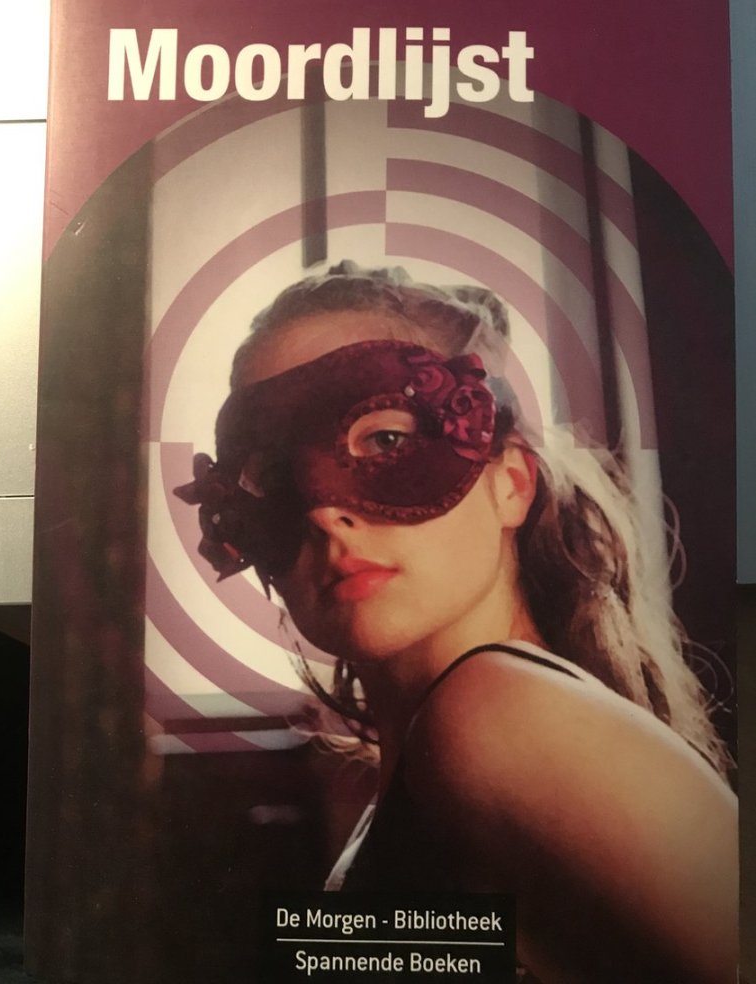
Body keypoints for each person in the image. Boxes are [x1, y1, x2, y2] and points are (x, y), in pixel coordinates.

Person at [176, 262, 737, 983]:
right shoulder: (442, 749)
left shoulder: (493, 719)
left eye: (385, 441)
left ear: (511, 483)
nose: (324, 510)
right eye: (276, 476)